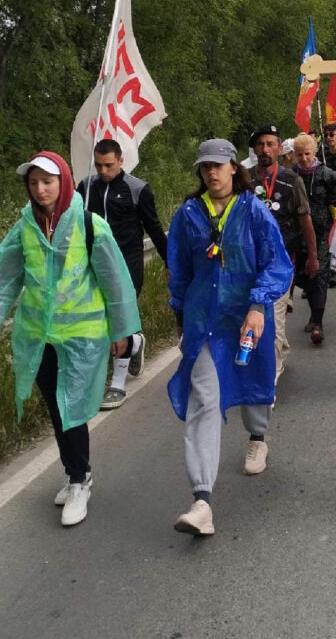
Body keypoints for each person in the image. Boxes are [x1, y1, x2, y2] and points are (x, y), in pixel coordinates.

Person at [0, 152, 140, 526]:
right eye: (33, 183)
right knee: (56, 407)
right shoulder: (25, 226)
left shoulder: (89, 224)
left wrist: (122, 330)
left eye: (47, 181)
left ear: (62, 182)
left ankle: (80, 479)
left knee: (71, 407)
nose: (40, 189)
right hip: (38, 335)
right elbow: (6, 279)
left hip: (81, 335)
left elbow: (115, 281)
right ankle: (73, 471)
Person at [167, 139, 293, 536]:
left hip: (248, 319)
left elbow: (276, 264)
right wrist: (179, 317)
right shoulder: (188, 215)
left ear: (234, 169)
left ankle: (258, 436)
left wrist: (258, 306)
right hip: (205, 322)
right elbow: (180, 271)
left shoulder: (254, 211)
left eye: (219, 166)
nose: (212, 173)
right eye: (205, 167)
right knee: (204, 399)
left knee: (254, 386)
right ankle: (201, 500)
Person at [77, 138, 167, 410]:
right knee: (101, 321)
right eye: (98, 165)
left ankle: (117, 383)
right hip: (96, 263)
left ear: (120, 161)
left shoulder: (138, 189)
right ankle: (135, 342)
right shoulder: (85, 186)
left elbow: (154, 227)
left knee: (121, 320)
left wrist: (172, 263)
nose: (103, 171)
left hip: (128, 261)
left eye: (109, 165)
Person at [249, 124, 318, 380]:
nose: (265, 149)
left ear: (280, 148)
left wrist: (312, 256)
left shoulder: (291, 181)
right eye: (260, 144)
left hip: (281, 263)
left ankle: (271, 376)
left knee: (274, 318)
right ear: (255, 148)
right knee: (256, 313)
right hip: (250, 262)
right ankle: (281, 350)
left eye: (270, 144)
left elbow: (305, 221)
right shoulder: (244, 180)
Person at [292, 133, 336, 344]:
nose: (304, 158)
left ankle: (318, 323)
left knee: (319, 272)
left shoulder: (326, 174)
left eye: (307, 154)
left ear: (314, 153)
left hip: (322, 231)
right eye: (299, 155)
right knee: (304, 274)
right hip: (298, 231)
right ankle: (313, 314)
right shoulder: (291, 175)